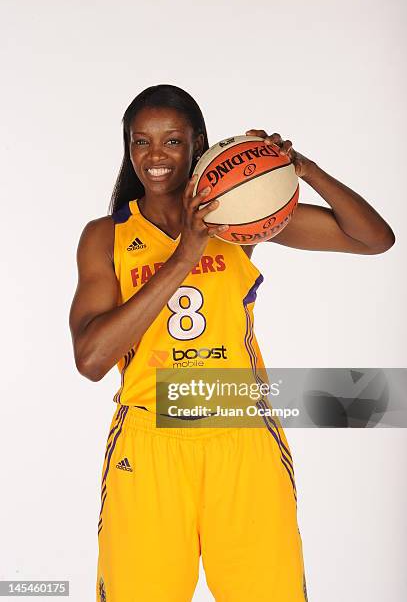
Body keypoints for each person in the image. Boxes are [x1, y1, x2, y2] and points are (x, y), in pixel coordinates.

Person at [69, 84, 395, 602]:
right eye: (141, 142)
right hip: (148, 443)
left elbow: (373, 239)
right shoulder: (105, 236)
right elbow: (90, 359)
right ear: (128, 150)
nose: (156, 157)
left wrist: (301, 170)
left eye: (172, 141)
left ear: (197, 144)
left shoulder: (237, 220)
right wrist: (183, 255)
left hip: (242, 435)